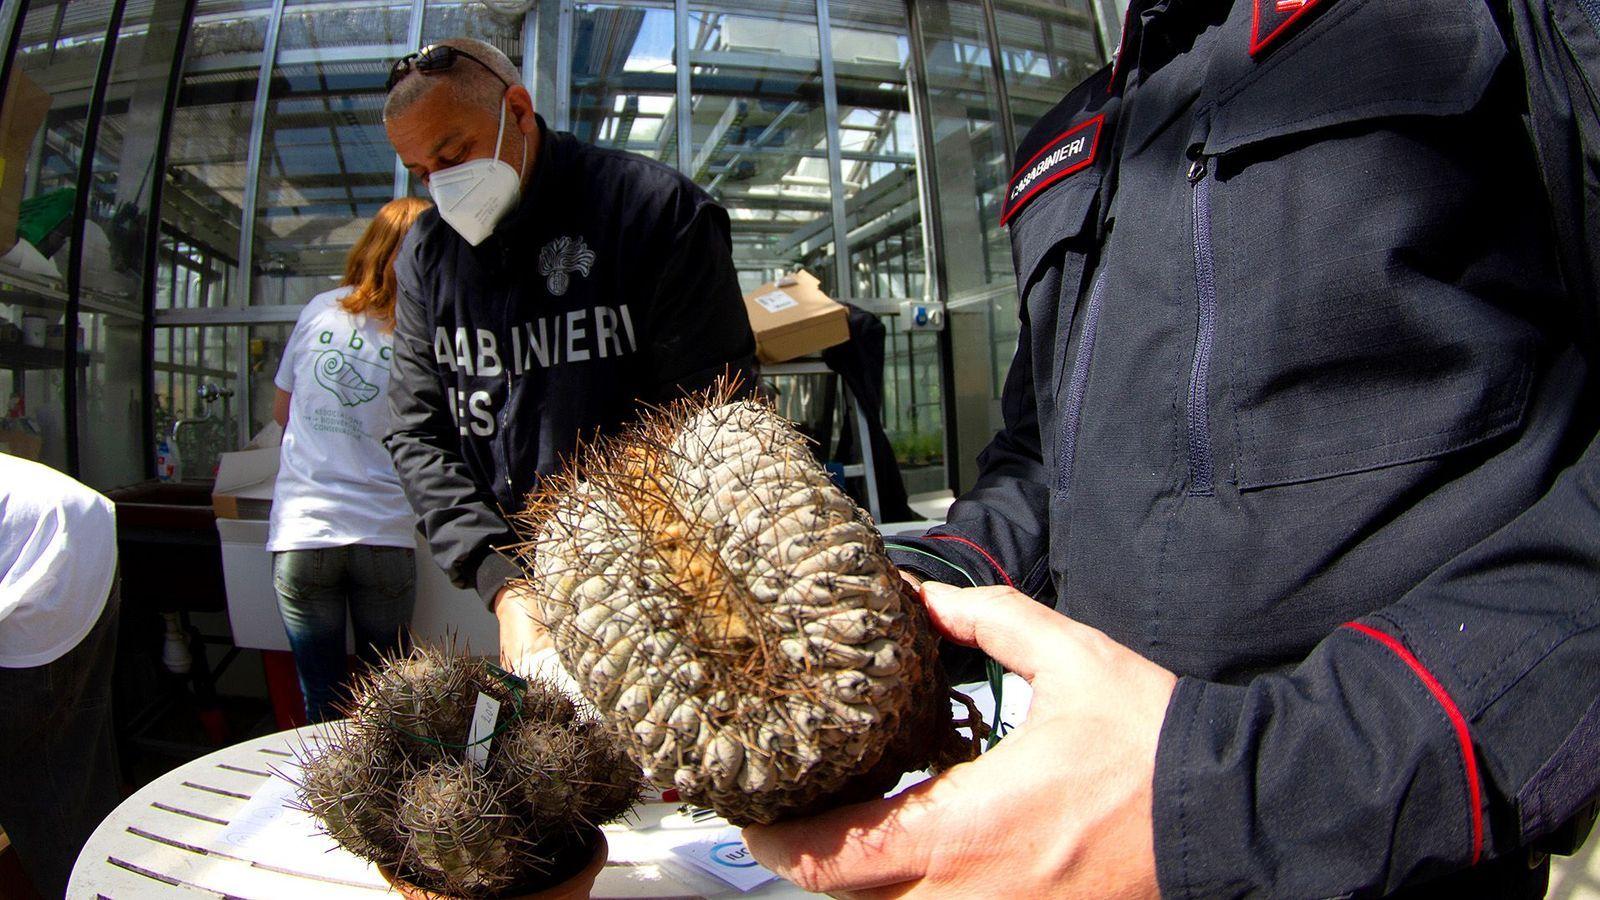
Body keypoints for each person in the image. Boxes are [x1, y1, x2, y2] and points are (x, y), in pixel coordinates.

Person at [744, 2, 1600, 898]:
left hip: (1384, 849)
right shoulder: (1071, 129)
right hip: (1068, 836)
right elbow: (1040, 457)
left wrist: (1240, 793)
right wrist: (906, 590)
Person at [380, 38, 757, 672]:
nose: (442, 184)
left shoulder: (652, 212)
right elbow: (418, 431)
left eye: (455, 154)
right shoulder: (428, 253)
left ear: (518, 111)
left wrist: (623, 570)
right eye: (422, 172)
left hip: (662, 577)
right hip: (520, 595)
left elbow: (714, 418)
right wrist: (500, 579)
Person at [269, 197, 431, 722]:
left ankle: (332, 801)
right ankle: (394, 797)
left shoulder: (320, 308)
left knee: (324, 698)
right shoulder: (421, 330)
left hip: (304, 532)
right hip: (384, 532)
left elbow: (281, 413)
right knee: (389, 698)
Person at [0, 454, 121, 898]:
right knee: (69, 749)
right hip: (86, 530)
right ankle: (102, 881)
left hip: (39, 544)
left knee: (31, 768)